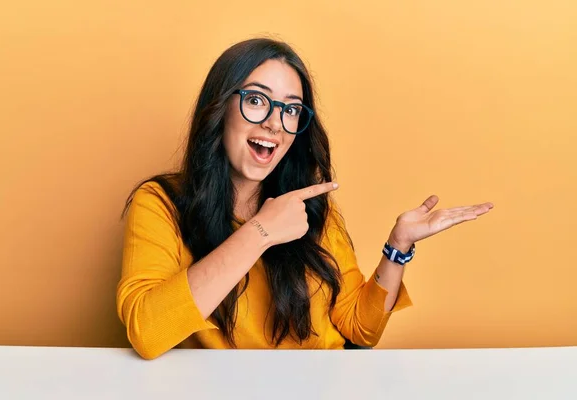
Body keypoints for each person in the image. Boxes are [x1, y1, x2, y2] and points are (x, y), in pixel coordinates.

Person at [116, 38, 493, 360]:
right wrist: (262, 230)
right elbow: (147, 332)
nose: (274, 123)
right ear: (219, 107)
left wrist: (398, 247)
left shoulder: (312, 208)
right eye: (257, 100)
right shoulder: (161, 202)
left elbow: (359, 329)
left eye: (291, 109)